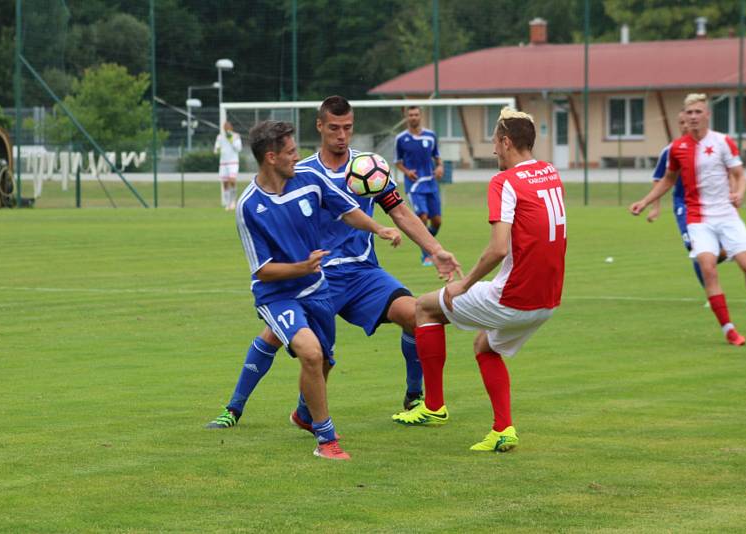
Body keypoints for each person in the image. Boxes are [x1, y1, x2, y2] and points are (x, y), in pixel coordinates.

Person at [206, 96, 461, 433]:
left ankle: (415, 397)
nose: (342, 135)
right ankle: (234, 408)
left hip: (362, 273)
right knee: (276, 337)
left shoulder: (369, 166)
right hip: (316, 276)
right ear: (320, 127)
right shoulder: (300, 171)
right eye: (335, 128)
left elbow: (398, 211)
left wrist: (435, 249)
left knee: (417, 315)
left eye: (348, 128)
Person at [224, 119, 401, 460]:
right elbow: (261, 270)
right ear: (272, 157)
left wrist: (380, 228)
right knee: (311, 352)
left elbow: (348, 211)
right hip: (276, 295)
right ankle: (327, 441)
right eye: (291, 152)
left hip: (316, 290)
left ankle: (304, 417)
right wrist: (300, 268)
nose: (298, 156)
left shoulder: (309, 180)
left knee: (324, 362)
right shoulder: (249, 205)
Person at [392, 108, 567, 453]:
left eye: (494, 144)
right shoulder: (550, 172)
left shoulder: (504, 182)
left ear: (505, 141)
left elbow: (498, 249)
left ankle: (433, 406)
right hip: (547, 302)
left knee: (424, 308)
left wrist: (465, 283)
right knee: (485, 346)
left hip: (513, 298)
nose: (493, 152)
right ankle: (504, 430)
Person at [630, 93, 746, 345]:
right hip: (698, 218)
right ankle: (729, 329)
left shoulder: (723, 142)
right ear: (684, 118)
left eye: (698, 112)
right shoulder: (677, 148)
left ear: (707, 115)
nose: (693, 117)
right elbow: (668, 180)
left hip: (727, 215)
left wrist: (739, 193)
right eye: (689, 113)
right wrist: (645, 202)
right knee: (708, 268)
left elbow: (739, 175)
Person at [643, 111, 725, 289]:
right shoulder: (671, 150)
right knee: (695, 250)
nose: (685, 126)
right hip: (684, 205)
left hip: (709, 204)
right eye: (681, 122)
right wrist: (655, 207)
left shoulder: (710, 147)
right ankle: (711, 294)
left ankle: (719, 253)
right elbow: (659, 179)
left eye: (687, 122)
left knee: (715, 251)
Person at [395, 106, 444, 266]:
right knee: (422, 216)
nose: (414, 117)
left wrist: (440, 167)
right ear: (406, 117)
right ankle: (427, 254)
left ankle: (428, 244)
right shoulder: (401, 139)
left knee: (436, 221)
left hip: (431, 183)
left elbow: (437, 157)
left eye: (416, 114)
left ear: (420, 116)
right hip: (414, 185)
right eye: (411, 115)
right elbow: (397, 162)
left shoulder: (431, 136)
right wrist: (407, 172)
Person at [214, 121, 242, 210]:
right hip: (223, 163)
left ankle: (233, 201)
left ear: (231, 127)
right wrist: (217, 149)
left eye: (228, 127)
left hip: (233, 162)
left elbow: (239, 148)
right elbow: (216, 149)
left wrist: (231, 140)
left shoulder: (236, 136)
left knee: (232, 180)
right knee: (225, 183)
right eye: (225, 127)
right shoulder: (220, 137)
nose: (226, 129)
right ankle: (227, 203)